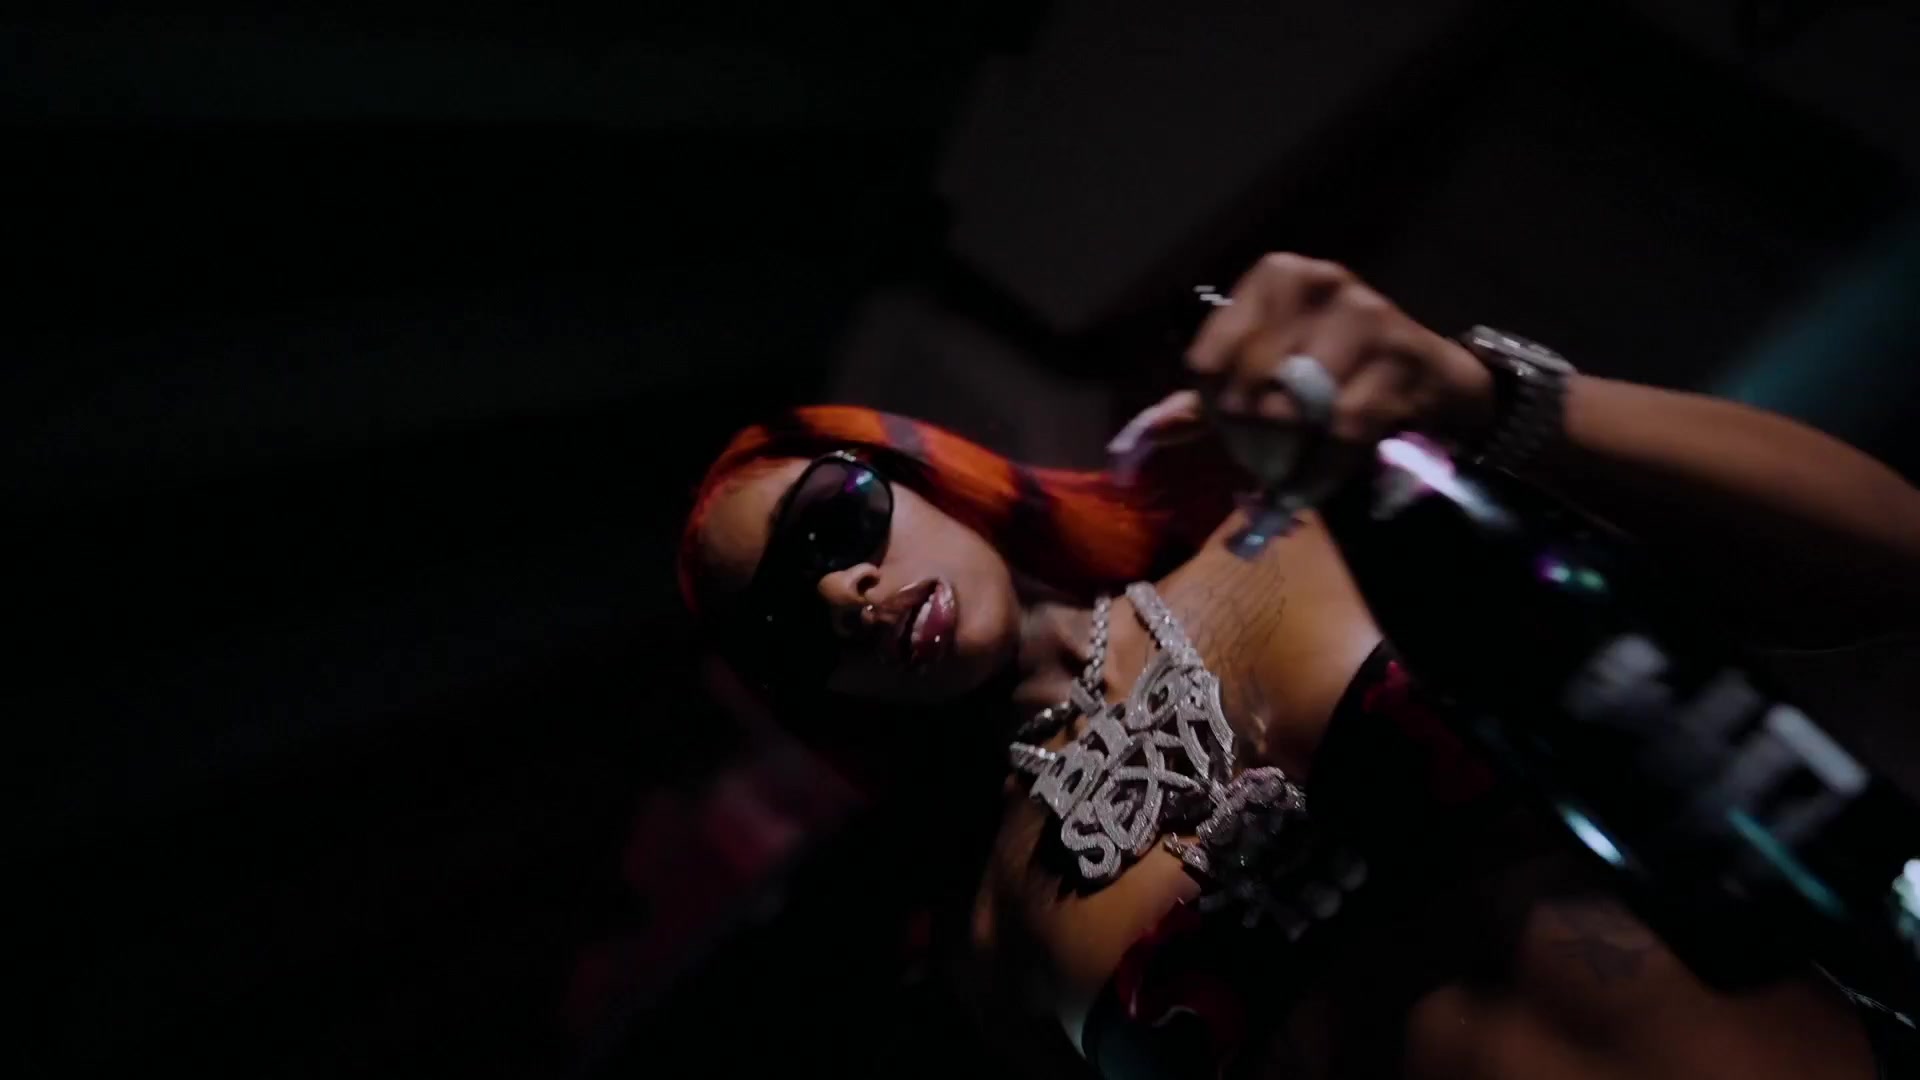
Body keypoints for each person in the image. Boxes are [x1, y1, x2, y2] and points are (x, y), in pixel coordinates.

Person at [678, 254, 1920, 1079]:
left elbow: (1887, 557)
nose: (842, 595)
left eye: (832, 524)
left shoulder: (1293, 523)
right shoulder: (997, 949)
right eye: (787, 626)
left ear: (915, 472)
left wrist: (1474, 394)